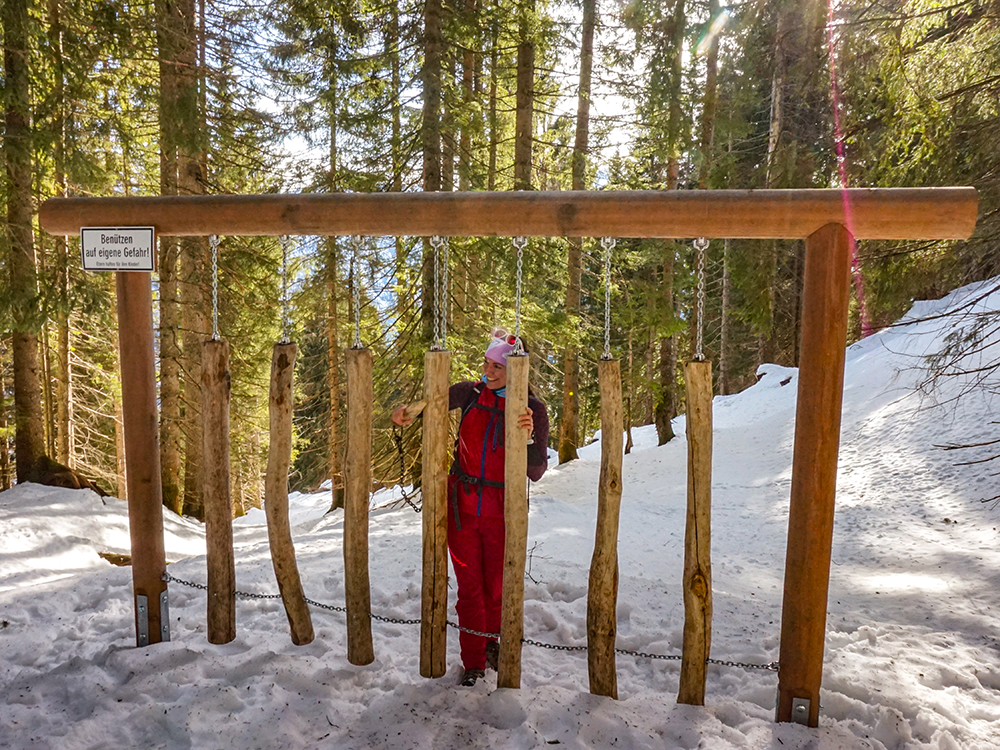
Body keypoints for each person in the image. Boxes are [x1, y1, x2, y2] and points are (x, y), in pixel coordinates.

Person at [391, 329, 549, 687]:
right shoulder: (471, 392)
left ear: (517, 370)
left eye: (497, 367)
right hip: (462, 507)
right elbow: (430, 404)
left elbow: (537, 471)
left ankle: (492, 642)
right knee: (470, 588)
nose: (487, 372)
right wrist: (406, 414)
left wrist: (525, 436)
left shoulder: (533, 409)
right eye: (486, 364)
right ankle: (473, 661)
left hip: (503, 512)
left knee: (496, 587)